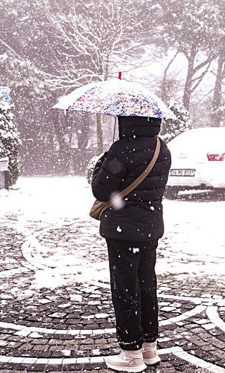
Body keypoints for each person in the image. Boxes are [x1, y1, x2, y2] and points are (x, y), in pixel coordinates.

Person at [91, 115, 172, 372]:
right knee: (147, 285)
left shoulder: (121, 150)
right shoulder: (162, 148)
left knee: (126, 288)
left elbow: (101, 191)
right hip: (150, 227)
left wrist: (102, 163)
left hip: (123, 229)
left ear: (127, 121)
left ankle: (130, 352)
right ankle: (150, 347)